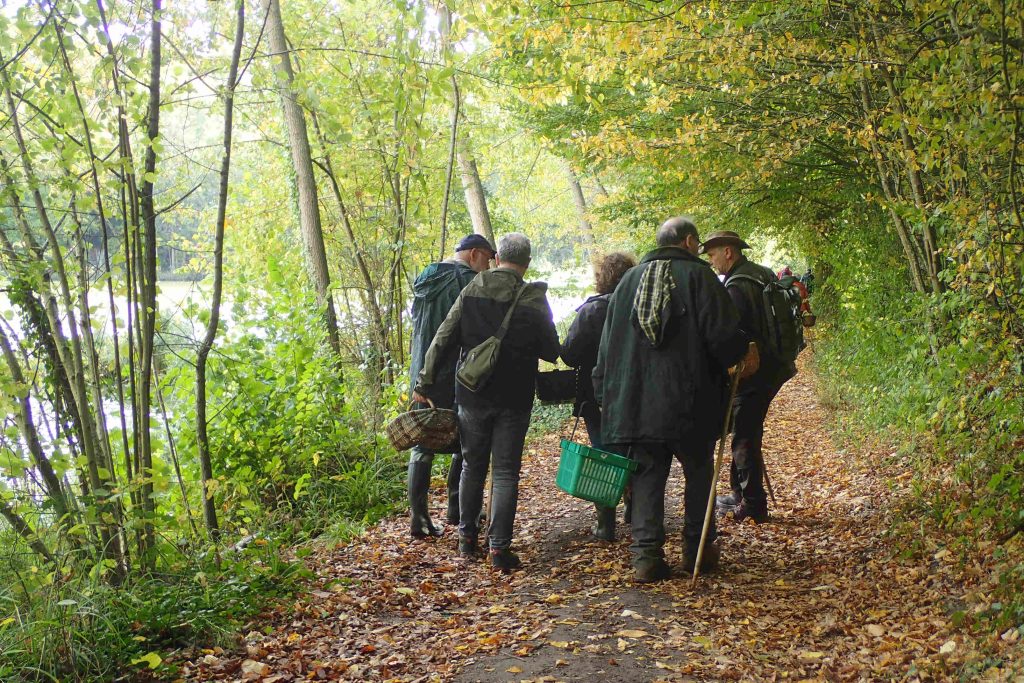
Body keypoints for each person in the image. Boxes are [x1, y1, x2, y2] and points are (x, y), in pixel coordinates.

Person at [593, 217, 755, 583]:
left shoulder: (626, 284)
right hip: (691, 401)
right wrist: (741, 349)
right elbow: (725, 341)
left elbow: (607, 349)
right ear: (688, 242)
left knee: (648, 474)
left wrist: (606, 393)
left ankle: (646, 556)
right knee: (699, 472)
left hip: (637, 402)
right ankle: (698, 548)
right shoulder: (701, 279)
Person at [414, 233, 559, 572]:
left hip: (472, 393)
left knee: (471, 466)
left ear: (497, 258)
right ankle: (499, 550)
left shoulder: (474, 288)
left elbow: (443, 337)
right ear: (527, 262)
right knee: (506, 472)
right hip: (515, 396)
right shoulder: (534, 298)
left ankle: (467, 541)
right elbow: (552, 351)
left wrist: (424, 381)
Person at [702, 231, 796, 523]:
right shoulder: (761, 273)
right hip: (777, 364)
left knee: (743, 436)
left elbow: (733, 335)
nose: (711, 261)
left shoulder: (736, 287)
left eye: (713, 254)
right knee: (746, 430)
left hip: (755, 372)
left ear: (728, 252)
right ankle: (739, 493)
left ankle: (754, 504)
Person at [406, 234, 494, 538]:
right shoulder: (469, 281)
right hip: (456, 373)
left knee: (422, 443)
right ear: (473, 254)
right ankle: (458, 509)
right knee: (465, 439)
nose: (488, 266)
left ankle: (418, 519)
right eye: (487, 258)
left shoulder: (426, 276)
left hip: (421, 369)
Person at [560, 251, 636, 542]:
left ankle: (606, 524)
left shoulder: (591, 311)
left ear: (601, 278)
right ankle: (634, 507)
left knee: (604, 455)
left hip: (596, 395)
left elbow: (568, 354)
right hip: (635, 392)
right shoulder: (638, 306)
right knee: (635, 451)